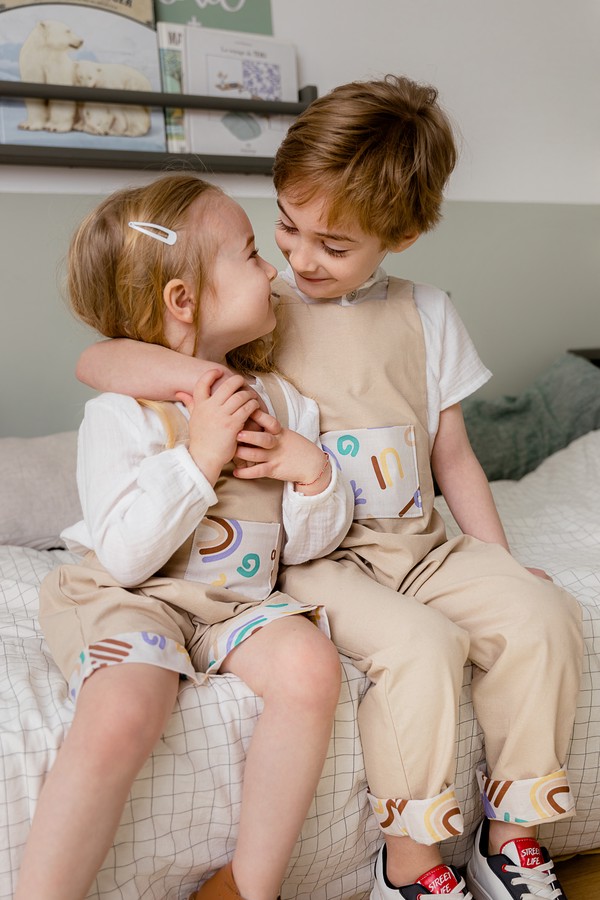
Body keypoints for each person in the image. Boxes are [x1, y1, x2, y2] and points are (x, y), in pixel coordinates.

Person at [75, 77, 583, 900]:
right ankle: (412, 860)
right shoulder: (259, 303)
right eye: (285, 227)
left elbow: (455, 458)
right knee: (422, 646)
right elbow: (100, 360)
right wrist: (200, 387)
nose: (299, 258)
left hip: (420, 543)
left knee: (545, 616)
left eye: (333, 245)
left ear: (403, 235)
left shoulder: (428, 312)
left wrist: (498, 561)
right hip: (318, 557)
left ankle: (513, 835)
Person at [15, 173, 355, 900]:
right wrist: (199, 455)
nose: (273, 269)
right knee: (127, 708)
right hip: (128, 592)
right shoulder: (122, 411)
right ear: (183, 299)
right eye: (252, 252)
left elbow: (305, 548)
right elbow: (130, 555)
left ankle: (246, 884)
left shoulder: (284, 402)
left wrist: (314, 473)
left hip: (231, 604)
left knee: (311, 670)